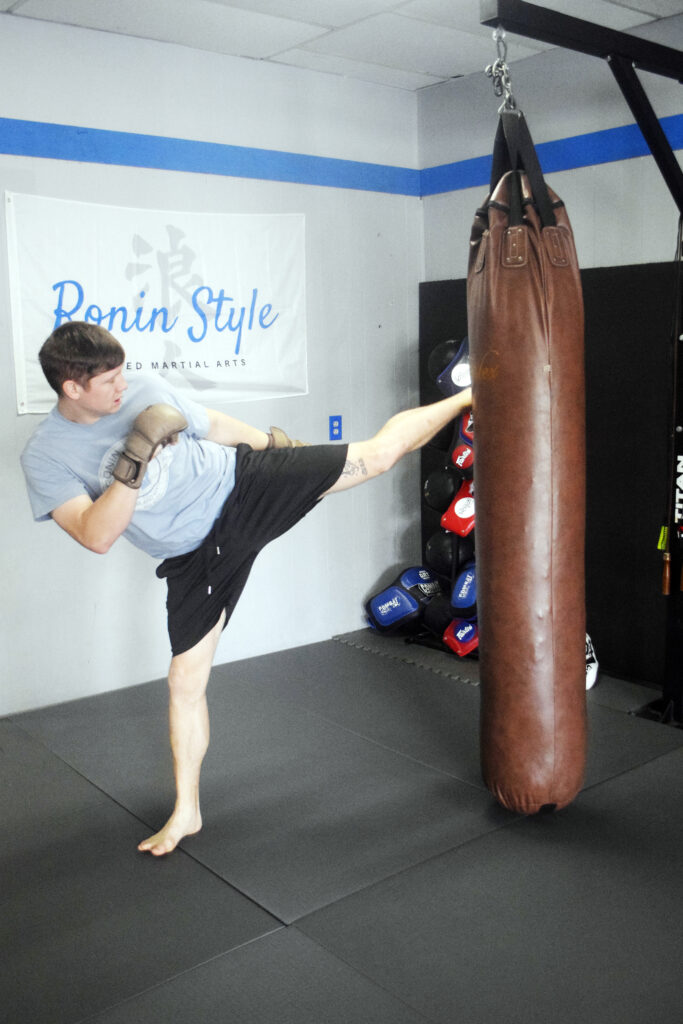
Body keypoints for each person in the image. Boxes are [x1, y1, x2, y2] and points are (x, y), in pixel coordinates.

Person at [22, 321, 473, 857]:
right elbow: (96, 535)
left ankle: (469, 397)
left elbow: (212, 424)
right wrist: (136, 456)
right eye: (109, 382)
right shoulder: (46, 456)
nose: (124, 387)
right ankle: (187, 811)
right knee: (184, 681)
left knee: (373, 456)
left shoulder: (142, 389)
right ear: (72, 387)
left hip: (245, 484)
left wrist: (273, 445)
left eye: (123, 373)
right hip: (195, 555)